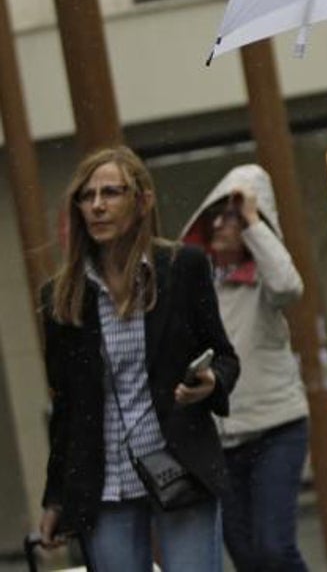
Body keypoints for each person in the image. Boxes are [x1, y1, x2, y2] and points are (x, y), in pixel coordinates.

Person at [38, 146, 239, 572]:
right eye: (86, 196)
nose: (97, 206)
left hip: (177, 463)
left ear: (142, 199)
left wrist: (210, 383)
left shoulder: (182, 267)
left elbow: (224, 356)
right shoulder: (61, 296)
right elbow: (66, 408)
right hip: (104, 481)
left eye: (111, 192)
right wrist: (56, 497)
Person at [180, 164, 310, 570]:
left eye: (233, 217)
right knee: (247, 557)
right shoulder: (197, 285)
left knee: (274, 547)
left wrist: (253, 218)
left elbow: (289, 286)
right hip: (220, 440)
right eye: (216, 214)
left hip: (277, 430)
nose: (220, 223)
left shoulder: (267, 283)